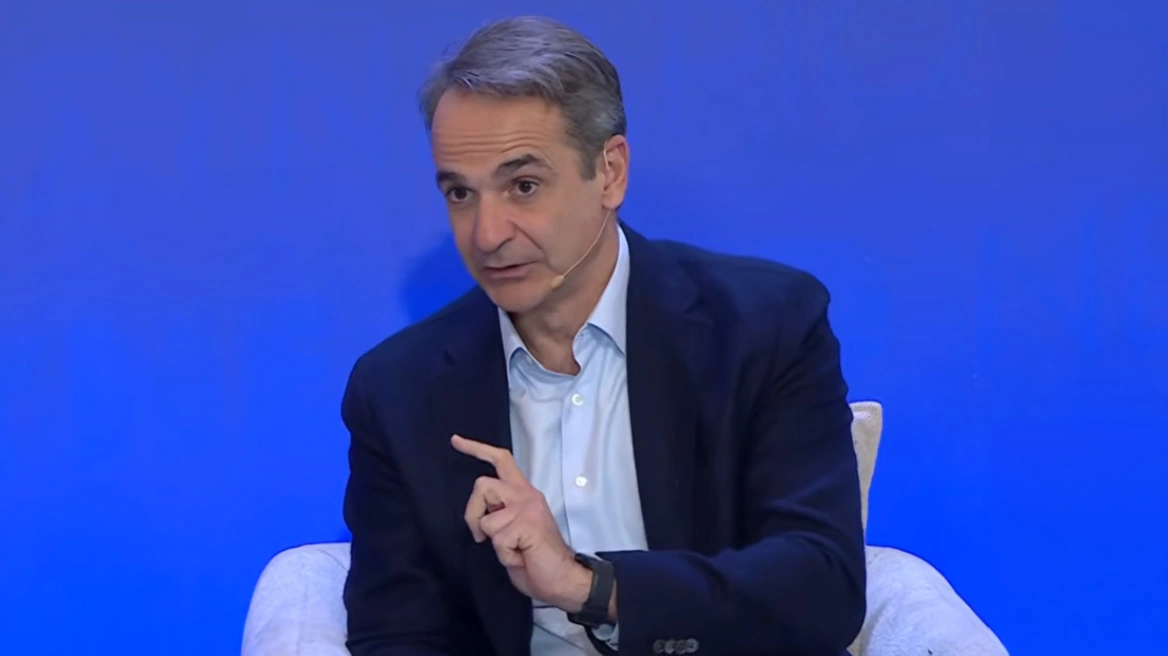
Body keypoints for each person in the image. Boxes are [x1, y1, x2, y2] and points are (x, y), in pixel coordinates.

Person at [341, 15, 866, 656]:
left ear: (610, 173)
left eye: (523, 186)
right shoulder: (399, 389)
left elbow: (822, 585)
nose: (486, 234)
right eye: (460, 193)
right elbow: (396, 633)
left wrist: (590, 586)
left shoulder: (764, 327)